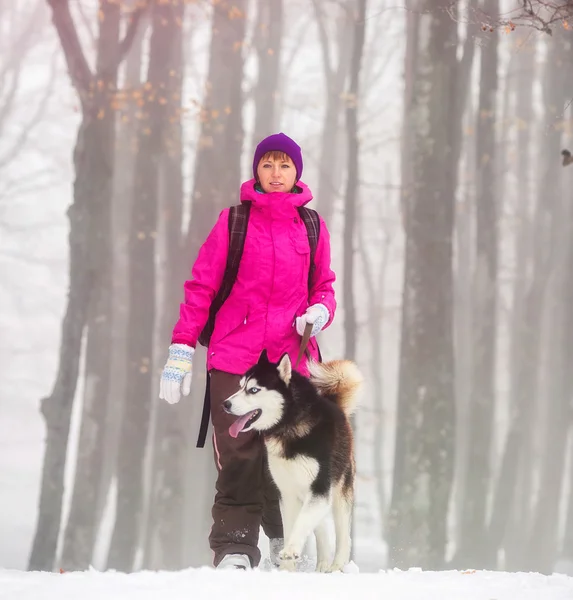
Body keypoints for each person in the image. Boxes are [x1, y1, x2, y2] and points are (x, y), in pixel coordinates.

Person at [158, 132, 337, 570]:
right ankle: (235, 546)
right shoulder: (233, 222)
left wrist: (319, 311)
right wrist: (180, 353)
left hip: (288, 365)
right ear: (256, 170)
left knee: (286, 451)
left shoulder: (312, 227)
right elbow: (201, 287)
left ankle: (283, 540)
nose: (276, 174)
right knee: (239, 451)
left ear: (297, 173)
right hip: (234, 357)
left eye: (285, 166)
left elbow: (324, 287)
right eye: (267, 165)